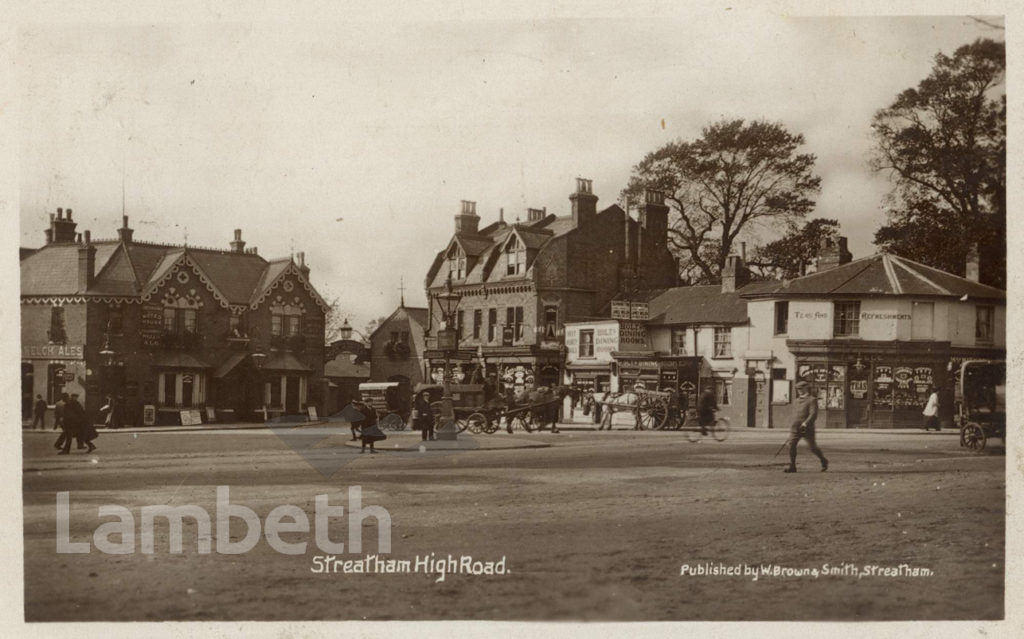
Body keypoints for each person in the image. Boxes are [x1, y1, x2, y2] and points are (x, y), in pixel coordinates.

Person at [784, 381, 828, 473]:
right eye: (798, 389)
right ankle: (792, 466)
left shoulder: (812, 400)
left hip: (807, 428)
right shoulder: (796, 401)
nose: (799, 391)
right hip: (795, 428)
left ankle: (823, 460)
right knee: (791, 444)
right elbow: (795, 414)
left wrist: (805, 423)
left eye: (801, 389)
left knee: (812, 447)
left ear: (806, 388)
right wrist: (793, 424)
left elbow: (813, 414)